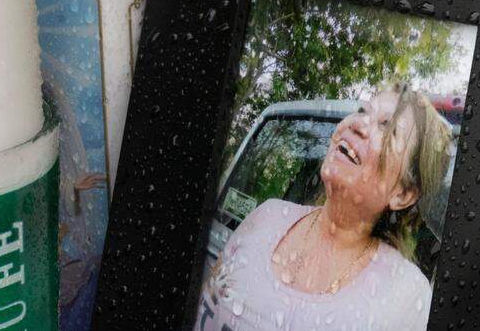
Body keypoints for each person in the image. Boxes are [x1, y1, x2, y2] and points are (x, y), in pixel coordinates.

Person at [194, 85, 454, 331]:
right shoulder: (267, 216)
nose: (358, 124)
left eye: (387, 127)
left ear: (403, 193)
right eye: (363, 110)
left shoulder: (407, 297)